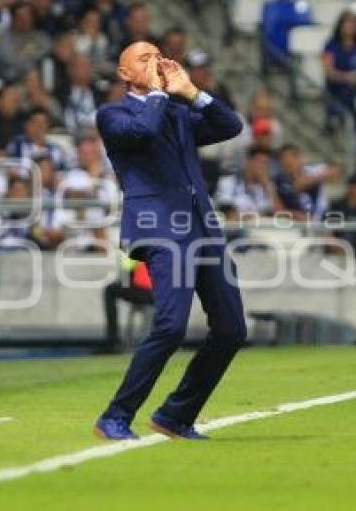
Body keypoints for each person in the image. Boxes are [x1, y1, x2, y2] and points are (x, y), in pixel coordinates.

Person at [93, 41, 246, 441]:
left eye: (157, 55)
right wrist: (162, 93)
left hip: (202, 228)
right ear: (124, 74)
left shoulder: (178, 111)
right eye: (144, 59)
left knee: (231, 329)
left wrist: (192, 93)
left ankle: (176, 415)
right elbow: (143, 131)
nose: (156, 63)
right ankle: (116, 415)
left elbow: (230, 126)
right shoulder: (113, 114)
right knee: (171, 325)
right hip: (158, 226)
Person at [103, 255, 153, 351]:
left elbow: (125, 273)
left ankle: (113, 340)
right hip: (159, 292)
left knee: (110, 290)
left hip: (147, 291)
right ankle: (114, 340)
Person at [0, 1, 52, 82]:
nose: (25, 20)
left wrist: (23, 56)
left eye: (28, 17)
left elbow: (46, 52)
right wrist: (31, 59)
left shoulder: (41, 37)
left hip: (36, 80)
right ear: (13, 18)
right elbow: (12, 61)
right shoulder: (2, 38)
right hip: (10, 81)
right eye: (20, 17)